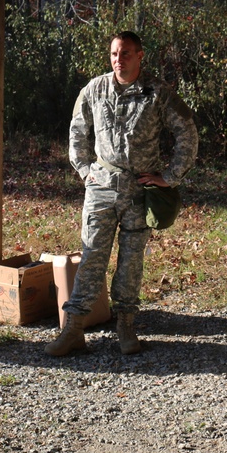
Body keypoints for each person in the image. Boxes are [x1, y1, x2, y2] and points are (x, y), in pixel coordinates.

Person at [45, 31, 198, 356]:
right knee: (91, 258)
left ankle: (126, 325)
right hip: (101, 188)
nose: (119, 59)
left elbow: (186, 130)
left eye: (126, 53)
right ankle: (73, 329)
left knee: (131, 261)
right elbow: (77, 129)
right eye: (115, 53)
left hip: (139, 192)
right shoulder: (95, 89)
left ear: (140, 55)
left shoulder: (157, 93)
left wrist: (170, 176)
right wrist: (84, 169)